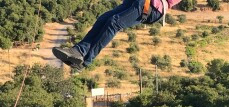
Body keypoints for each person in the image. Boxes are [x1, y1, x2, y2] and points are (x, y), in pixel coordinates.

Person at [52, 0, 181, 72]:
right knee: (103, 19)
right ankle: (78, 51)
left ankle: (85, 61)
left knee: (114, 23)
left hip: (151, 6)